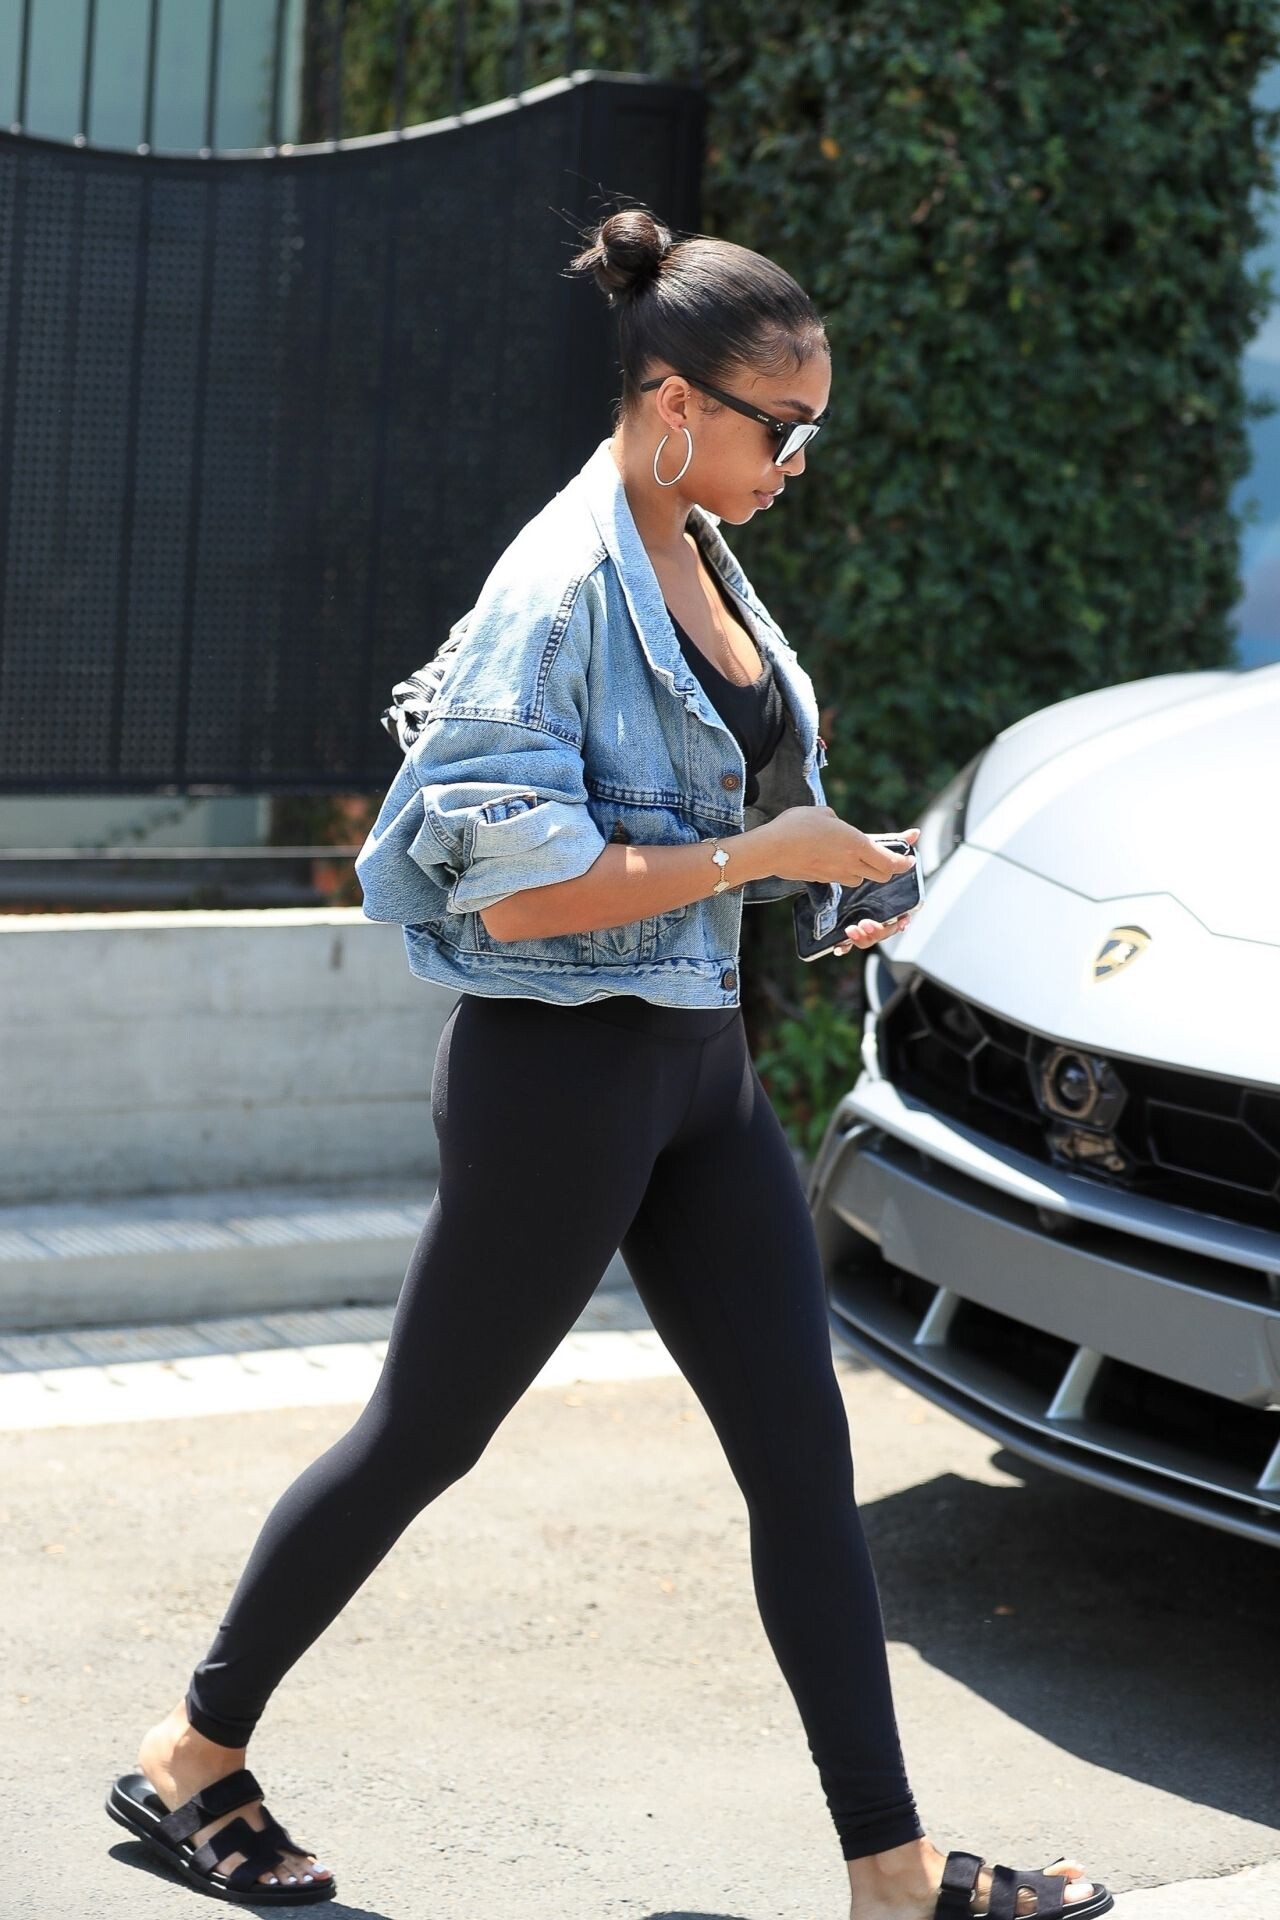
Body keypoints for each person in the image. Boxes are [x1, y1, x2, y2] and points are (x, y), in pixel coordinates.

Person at [108, 206, 1112, 1920]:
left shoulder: (700, 549)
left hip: (696, 1075)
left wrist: (831, 883)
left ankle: (890, 1872)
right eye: (779, 428)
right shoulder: (557, 592)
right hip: (557, 1087)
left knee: (801, 1465)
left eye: (812, 431)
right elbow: (519, 895)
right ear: (671, 404)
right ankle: (194, 1751)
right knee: (423, 1439)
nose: (797, 463)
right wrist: (762, 857)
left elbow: (723, 811)